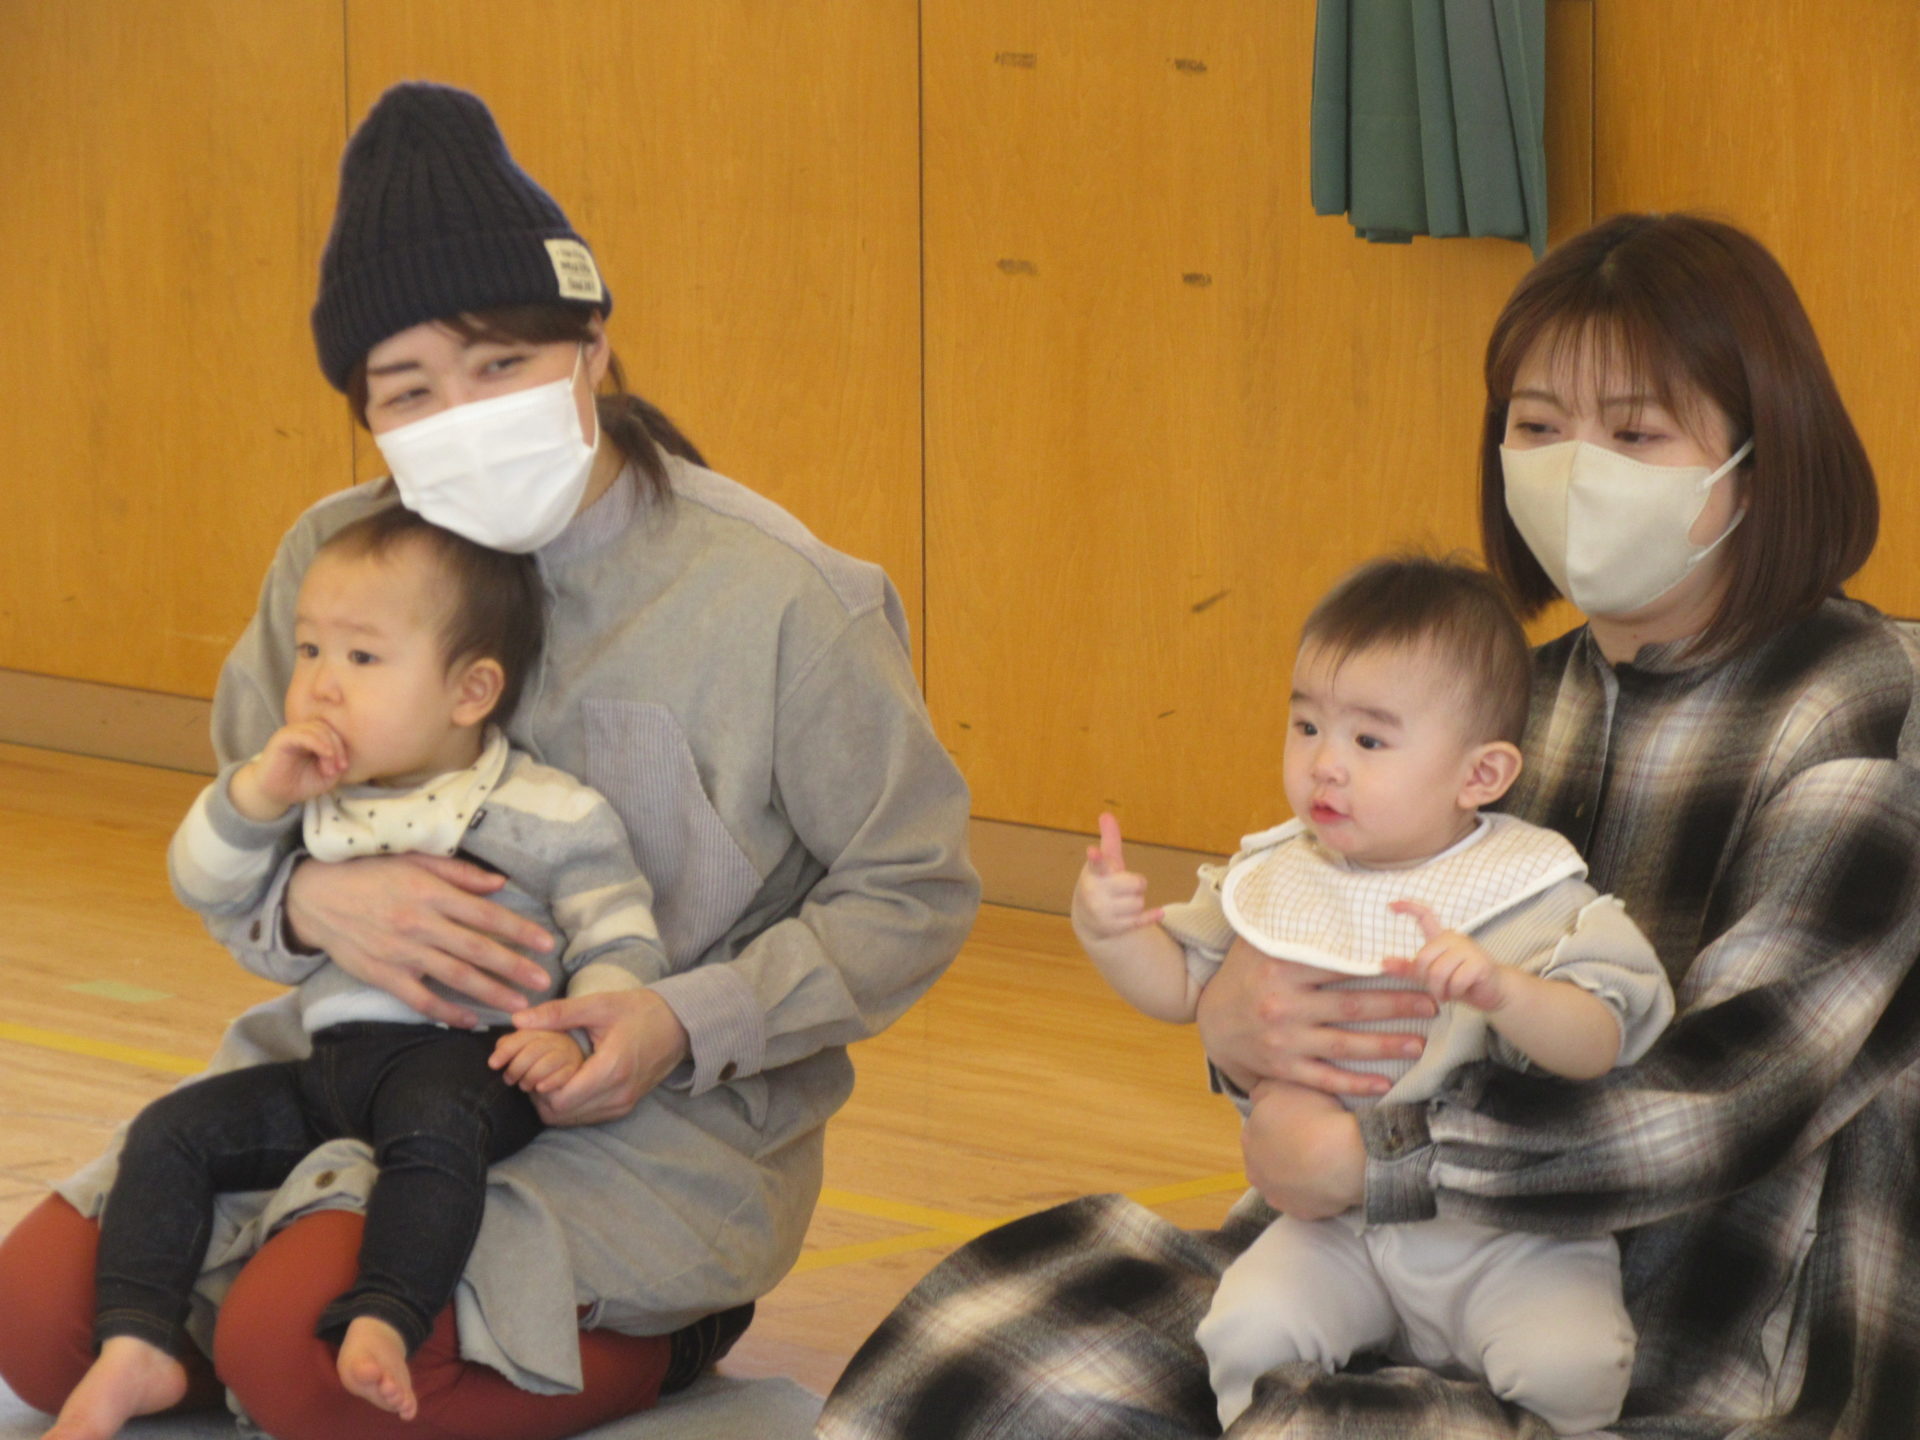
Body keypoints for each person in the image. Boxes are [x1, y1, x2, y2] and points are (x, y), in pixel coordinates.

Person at [816, 214, 1920, 1440]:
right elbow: (1321, 978)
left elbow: (1737, 1094)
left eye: (1635, 433)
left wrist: (1382, 1163)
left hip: (1695, 1328)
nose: (1575, 468)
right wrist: (1237, 1024)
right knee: (979, 1357)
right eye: (1537, 426)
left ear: (1758, 463)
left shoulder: (1864, 708)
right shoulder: (1509, 701)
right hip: (1379, 1265)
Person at [0, 81, 977, 1440]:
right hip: (352, 1068)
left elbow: (912, 890)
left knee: (295, 1350)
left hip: (638, 1127)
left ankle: (662, 1332)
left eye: (501, 366)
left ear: (592, 346)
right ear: (365, 412)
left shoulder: (784, 599)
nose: (458, 413)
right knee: (41, 1318)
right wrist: (311, 900)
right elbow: (248, 807)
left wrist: (680, 1022)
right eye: (409, 390)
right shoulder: (333, 557)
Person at [50, 506, 674, 1440]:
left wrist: (576, 1036)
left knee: (435, 1127)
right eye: (309, 650)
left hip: (472, 1062)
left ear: (471, 691)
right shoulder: (314, 796)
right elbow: (202, 881)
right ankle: (135, 1342)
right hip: (336, 1065)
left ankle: (386, 1313)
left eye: (362, 657)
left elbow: (618, 935)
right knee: (171, 1130)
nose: (319, 684)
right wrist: (256, 792)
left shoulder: (549, 810)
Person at [1072, 555, 1673, 1435]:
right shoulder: (1279, 873)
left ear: (1480, 776)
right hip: (1336, 1228)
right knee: (1245, 1329)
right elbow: (1178, 988)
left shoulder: (1533, 894)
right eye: (1307, 725)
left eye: (1369, 741)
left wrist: (1506, 991)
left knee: (1574, 1361)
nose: (1324, 764)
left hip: (1503, 1237)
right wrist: (1112, 934)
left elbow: (1602, 1042)